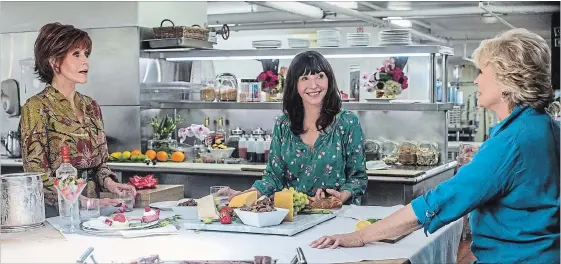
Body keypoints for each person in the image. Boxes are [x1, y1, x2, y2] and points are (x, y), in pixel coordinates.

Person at [311, 28, 560, 263]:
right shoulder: (543, 125)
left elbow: (441, 200)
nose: (476, 81)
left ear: (507, 80)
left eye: (482, 72)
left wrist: (360, 236)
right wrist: (486, 160)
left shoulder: (510, 142)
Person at [19, 23, 137, 218]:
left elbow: (100, 165)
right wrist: (83, 201)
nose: (85, 62)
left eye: (86, 54)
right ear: (54, 61)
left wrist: (111, 184)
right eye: (76, 54)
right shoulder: (36, 108)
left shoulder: (91, 106)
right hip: (56, 215)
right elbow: (36, 175)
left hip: (95, 213)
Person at [221, 51, 368, 205]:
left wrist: (341, 196)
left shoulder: (347, 123)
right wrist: (243, 196)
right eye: (305, 78)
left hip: (338, 216)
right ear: (295, 84)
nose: (313, 85)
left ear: (329, 79)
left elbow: (358, 178)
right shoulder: (283, 125)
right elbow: (273, 178)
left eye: (320, 76)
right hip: (295, 217)